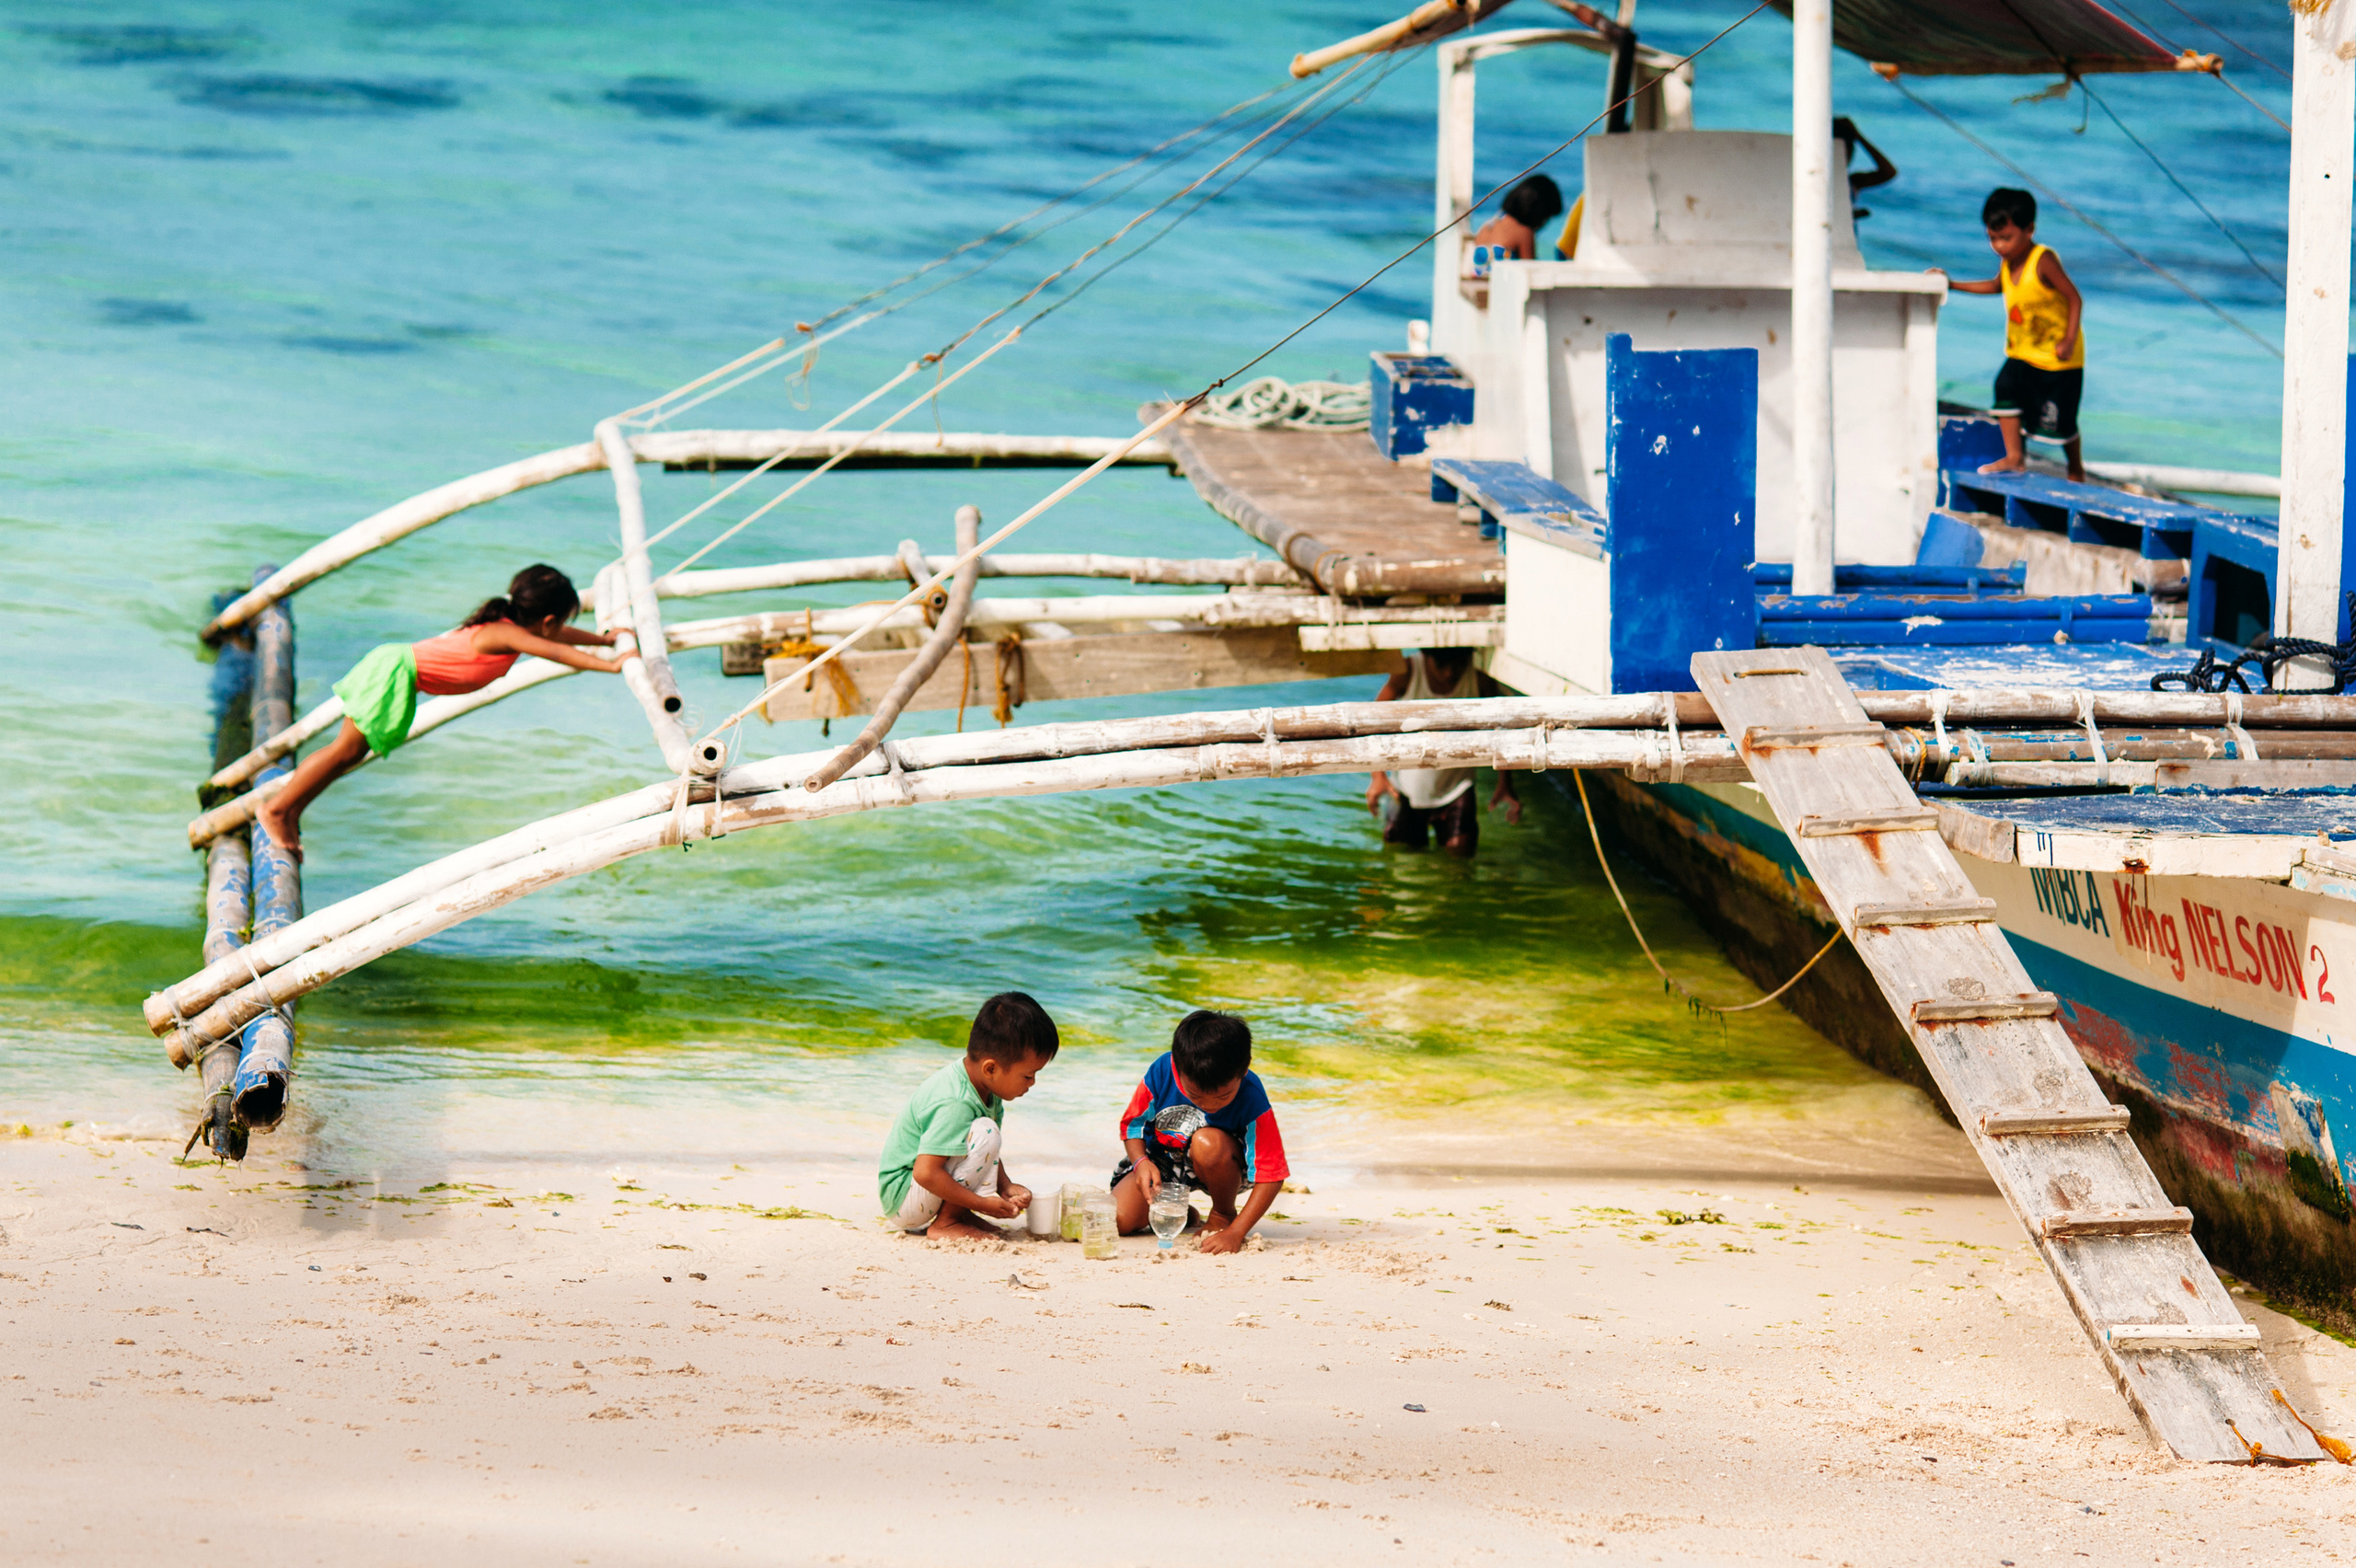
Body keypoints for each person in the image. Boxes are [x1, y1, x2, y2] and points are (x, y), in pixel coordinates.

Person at [254, 564, 625, 859]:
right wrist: (611, 665)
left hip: (396, 670)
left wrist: (605, 641)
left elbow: (558, 640)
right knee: (345, 751)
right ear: (546, 621)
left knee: (350, 753)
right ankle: (277, 811)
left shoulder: (511, 628)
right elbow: (556, 651)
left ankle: (289, 811)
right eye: (560, 622)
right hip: (393, 673)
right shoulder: (505, 633)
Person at [1930, 188, 2086, 480]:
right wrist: (1952, 284)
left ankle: (2076, 468)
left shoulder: (2043, 260)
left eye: (2006, 238)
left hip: (2058, 359)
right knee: (2006, 390)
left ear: (2029, 230)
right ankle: (2015, 457)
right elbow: (1996, 286)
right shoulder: (2009, 261)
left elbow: (2074, 299)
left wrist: (2068, 340)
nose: (2000, 246)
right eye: (1993, 239)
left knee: (2061, 423)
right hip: (2022, 352)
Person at [878, 992, 1058, 1241]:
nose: (1033, 1083)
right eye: (1028, 1075)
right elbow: (925, 1173)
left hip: (920, 1191)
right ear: (991, 1068)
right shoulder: (956, 1101)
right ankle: (947, 1223)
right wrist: (982, 1204)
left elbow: (982, 1152)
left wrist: (1005, 1186)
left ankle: (957, 1215)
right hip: (904, 1198)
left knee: (986, 1133)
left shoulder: (986, 1087)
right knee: (987, 1131)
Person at [1112, 1009, 1288, 1255]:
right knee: (1120, 1221)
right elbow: (1133, 1126)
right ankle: (1185, 1213)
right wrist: (1140, 1162)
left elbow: (1272, 1174)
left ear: (1244, 1069)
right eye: (1195, 1095)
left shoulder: (1252, 1096)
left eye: (1223, 1096)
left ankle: (1222, 1213)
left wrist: (1236, 1232)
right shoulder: (1163, 1070)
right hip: (1163, 1161)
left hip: (1222, 1163)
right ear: (1178, 1066)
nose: (1209, 1105)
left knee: (1207, 1142)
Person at [1364, 647, 1520, 856]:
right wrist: (1378, 776)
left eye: (1458, 664)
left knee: (1460, 859)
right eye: (1441, 665)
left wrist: (1505, 782)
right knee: (1402, 859)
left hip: (1458, 787)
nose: (1449, 673)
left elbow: (1501, 730)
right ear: (1426, 657)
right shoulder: (1409, 671)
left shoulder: (1479, 678)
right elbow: (1372, 720)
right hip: (1408, 790)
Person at [1472, 174, 1565, 262]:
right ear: (1538, 212)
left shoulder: (1489, 225)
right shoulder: (1524, 233)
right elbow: (1530, 271)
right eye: (1546, 217)